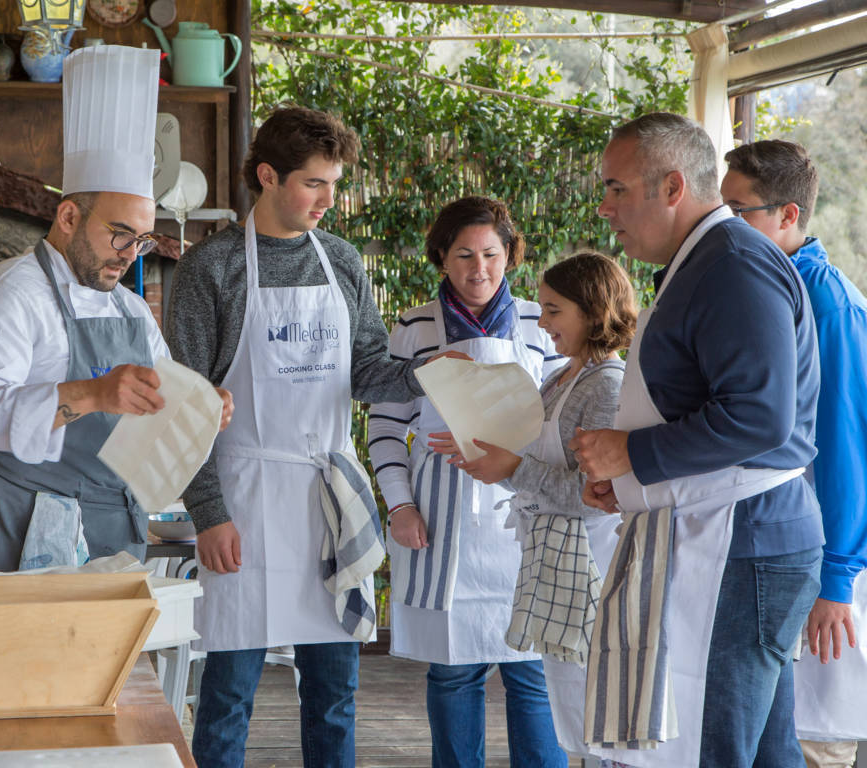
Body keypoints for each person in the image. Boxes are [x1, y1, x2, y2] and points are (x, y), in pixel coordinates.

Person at [165, 106, 432, 768]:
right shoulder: (214, 268)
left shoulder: (340, 260)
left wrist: (434, 376)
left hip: (327, 501)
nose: (328, 199)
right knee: (228, 693)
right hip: (245, 500)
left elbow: (368, 369)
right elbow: (185, 404)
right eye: (314, 183)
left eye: (334, 183)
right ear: (267, 176)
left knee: (335, 690)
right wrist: (208, 513)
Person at [570, 112, 824, 767]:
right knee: (760, 751)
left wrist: (635, 456)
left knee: (716, 751)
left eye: (617, 189)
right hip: (731, 534)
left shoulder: (733, 264)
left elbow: (761, 417)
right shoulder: (705, 260)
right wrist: (629, 480)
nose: (605, 207)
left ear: (674, 186)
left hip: (744, 543)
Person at [0, 46, 231, 571]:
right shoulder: (8, 294)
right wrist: (94, 393)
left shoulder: (132, 311)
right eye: (119, 235)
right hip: (10, 518)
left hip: (107, 523)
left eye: (141, 242)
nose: (129, 256)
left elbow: (157, 404)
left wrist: (201, 409)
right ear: (69, 216)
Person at [367, 196, 567, 767]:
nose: (478, 269)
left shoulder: (538, 319)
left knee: (531, 670)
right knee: (454, 672)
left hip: (524, 516)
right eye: (463, 255)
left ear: (510, 256)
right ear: (442, 257)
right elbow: (385, 423)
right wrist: (401, 506)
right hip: (441, 518)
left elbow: (559, 420)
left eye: (490, 254)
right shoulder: (415, 325)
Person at [432, 251, 636, 765]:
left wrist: (512, 469)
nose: (540, 322)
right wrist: (486, 453)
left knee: (599, 719)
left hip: (589, 566)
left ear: (592, 312)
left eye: (553, 311)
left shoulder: (606, 386)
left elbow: (597, 500)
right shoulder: (565, 378)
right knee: (576, 715)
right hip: (555, 562)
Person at [722, 139, 867, 768]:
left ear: (788, 216)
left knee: (816, 743)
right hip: (778, 547)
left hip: (824, 563)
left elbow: (846, 448)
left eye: (738, 211)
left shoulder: (826, 301)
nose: (724, 226)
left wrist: (837, 579)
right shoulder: (770, 284)